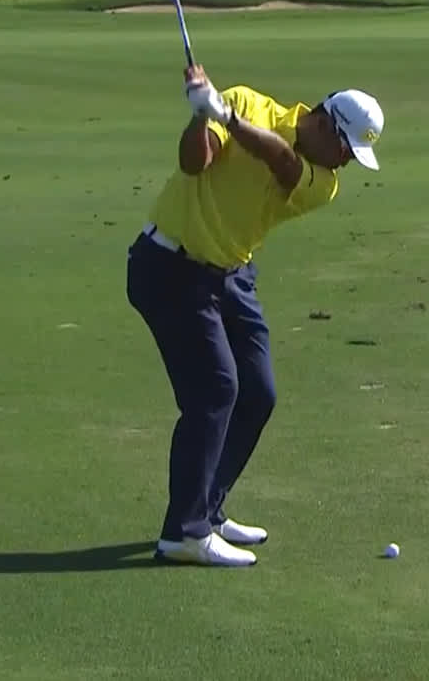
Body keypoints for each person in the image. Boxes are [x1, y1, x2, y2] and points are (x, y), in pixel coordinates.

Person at [127, 63, 385, 567]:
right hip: (171, 267)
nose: (346, 164)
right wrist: (204, 117)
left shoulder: (322, 182)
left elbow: (284, 163)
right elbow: (193, 164)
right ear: (326, 124)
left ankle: (207, 508)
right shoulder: (247, 102)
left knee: (258, 392)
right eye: (347, 150)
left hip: (229, 275)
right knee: (215, 390)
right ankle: (184, 532)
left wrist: (228, 117)